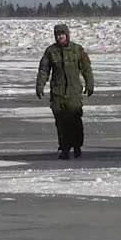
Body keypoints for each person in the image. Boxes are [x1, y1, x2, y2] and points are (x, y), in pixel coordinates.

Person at [35, 23, 95, 159]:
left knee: (75, 121)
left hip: (74, 93)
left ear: (67, 35)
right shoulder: (51, 51)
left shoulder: (77, 50)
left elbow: (86, 68)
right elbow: (44, 70)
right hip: (58, 93)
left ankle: (77, 147)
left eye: (62, 34)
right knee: (61, 123)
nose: (60, 36)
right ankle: (65, 148)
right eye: (57, 34)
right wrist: (40, 85)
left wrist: (90, 84)